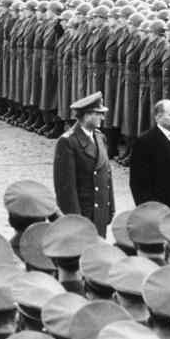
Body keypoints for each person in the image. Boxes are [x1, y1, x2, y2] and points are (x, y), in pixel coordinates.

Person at [53, 92, 115, 236]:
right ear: (87, 115)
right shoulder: (68, 142)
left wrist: (110, 207)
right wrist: (76, 221)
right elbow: (66, 189)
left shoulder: (100, 137)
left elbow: (107, 176)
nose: (103, 117)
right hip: (83, 215)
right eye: (99, 113)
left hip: (99, 213)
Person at [129, 99, 170, 209]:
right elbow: (138, 182)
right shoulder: (145, 141)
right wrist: (147, 208)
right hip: (159, 207)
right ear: (158, 117)